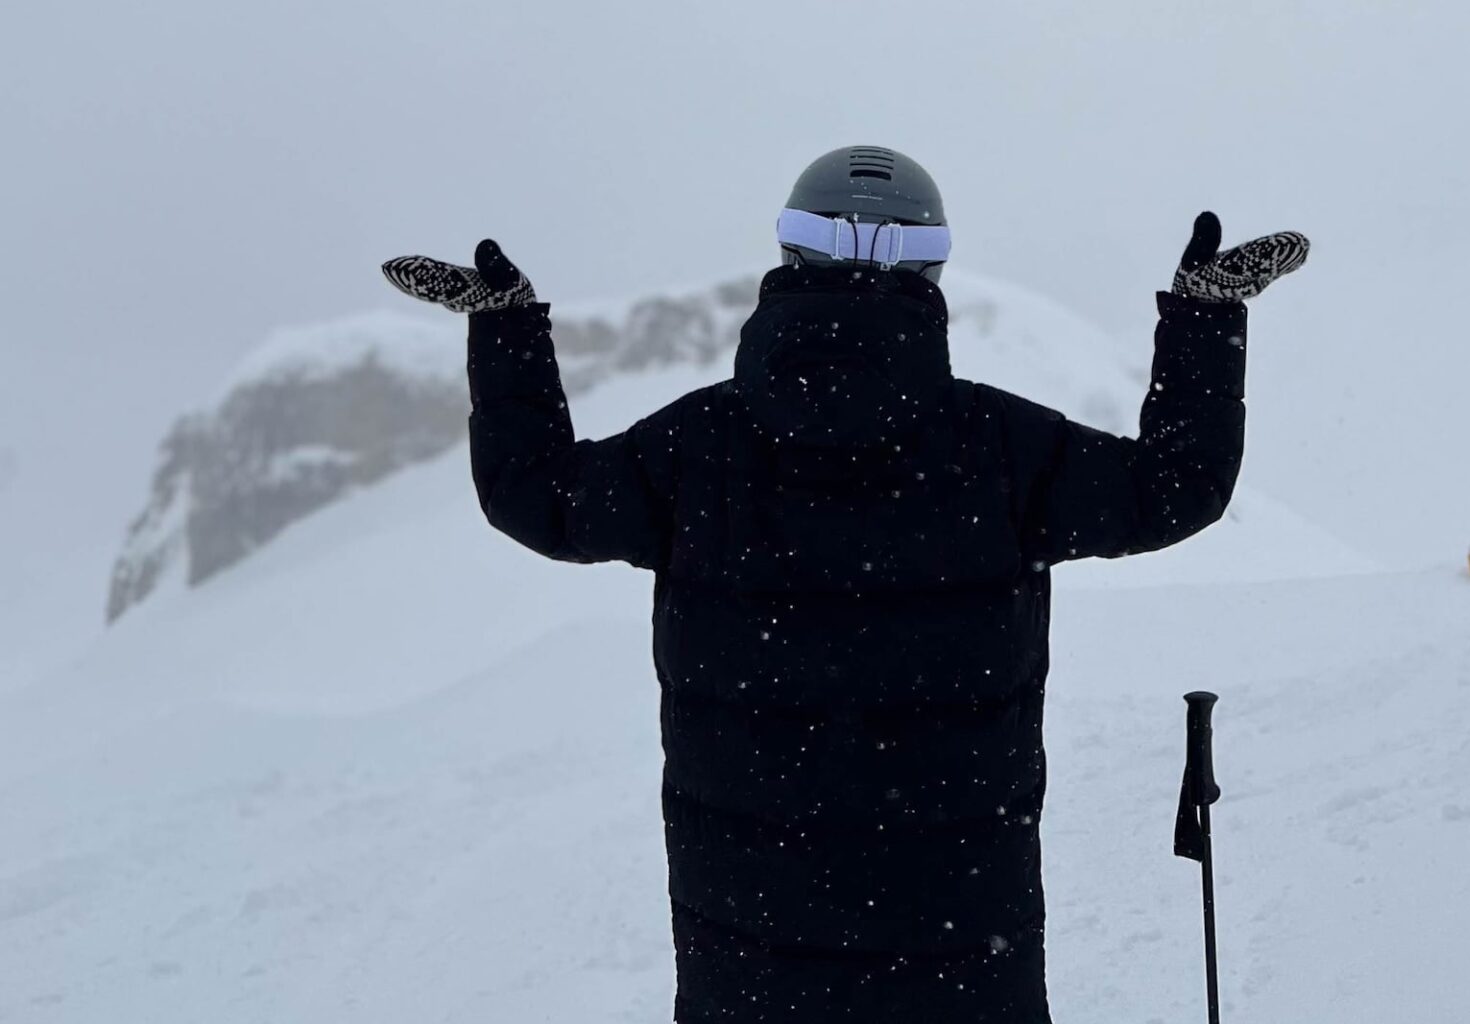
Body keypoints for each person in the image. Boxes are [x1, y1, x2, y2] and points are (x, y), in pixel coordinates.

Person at [381, 145, 1307, 1024]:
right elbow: (1173, 488)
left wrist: (504, 330)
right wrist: (1205, 315)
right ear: (931, 272)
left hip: (749, 964)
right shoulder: (1001, 450)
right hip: (960, 955)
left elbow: (534, 497)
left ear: (791, 252)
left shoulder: (698, 448)